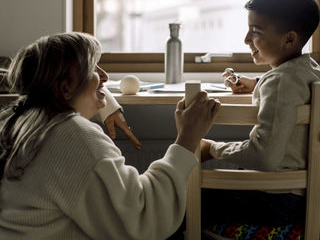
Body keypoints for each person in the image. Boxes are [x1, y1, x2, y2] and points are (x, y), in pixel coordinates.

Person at [0, 31, 221, 239]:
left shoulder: (22, 124)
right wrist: (186, 141)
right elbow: (143, 222)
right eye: (94, 68)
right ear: (66, 87)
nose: (105, 76)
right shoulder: (71, 135)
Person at [200, 0, 320, 228]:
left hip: (275, 202)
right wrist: (257, 84)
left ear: (289, 39)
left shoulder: (279, 82)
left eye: (255, 32)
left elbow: (265, 157)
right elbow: (289, 89)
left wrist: (213, 148)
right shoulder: (311, 68)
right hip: (299, 197)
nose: (246, 39)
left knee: (175, 202)